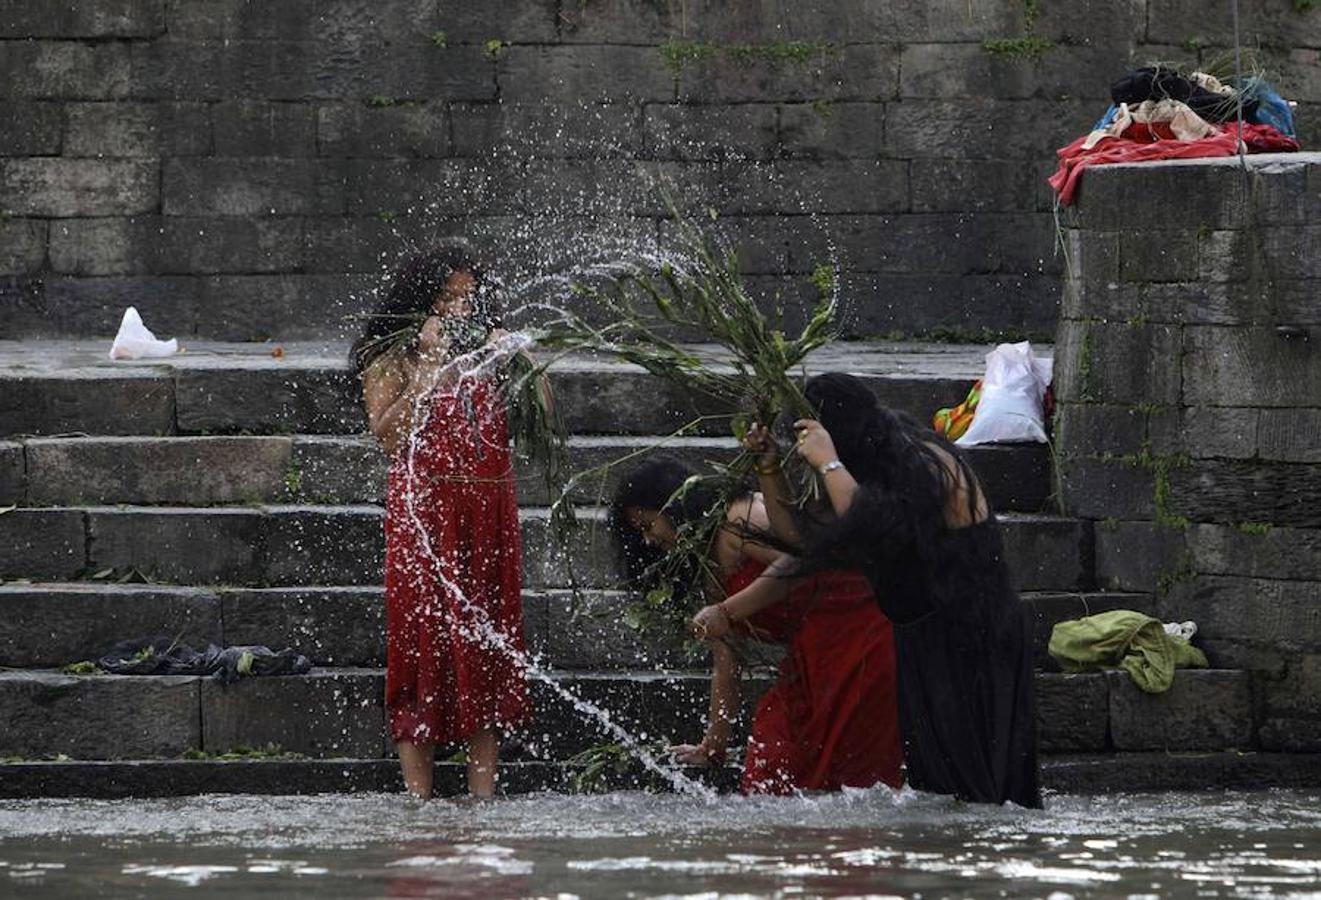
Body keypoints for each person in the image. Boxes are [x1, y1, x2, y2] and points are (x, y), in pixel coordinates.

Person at [698, 373, 1042, 807]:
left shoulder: (922, 461)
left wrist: (828, 462)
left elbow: (868, 524)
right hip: (923, 638)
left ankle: (982, 868)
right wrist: (768, 464)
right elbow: (805, 539)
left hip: (972, 637)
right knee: (939, 791)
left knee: (980, 794)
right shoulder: (871, 465)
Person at [609, 455, 903, 794]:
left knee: (854, 777)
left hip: (857, 638)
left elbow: (804, 559)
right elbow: (727, 660)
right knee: (772, 764)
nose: (648, 540)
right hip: (809, 659)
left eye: (648, 525)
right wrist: (712, 747)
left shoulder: (739, 517)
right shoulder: (707, 562)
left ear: (674, 505)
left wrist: (727, 609)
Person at [353, 246, 532, 800]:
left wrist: (521, 360)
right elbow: (387, 436)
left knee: (487, 640)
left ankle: (484, 798)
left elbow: (537, 416)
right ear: (419, 299)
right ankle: (419, 799)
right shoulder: (391, 355)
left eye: (466, 295)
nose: (458, 306)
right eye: (446, 296)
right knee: (421, 637)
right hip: (423, 517)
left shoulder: (485, 351)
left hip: (486, 514)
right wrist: (428, 366)